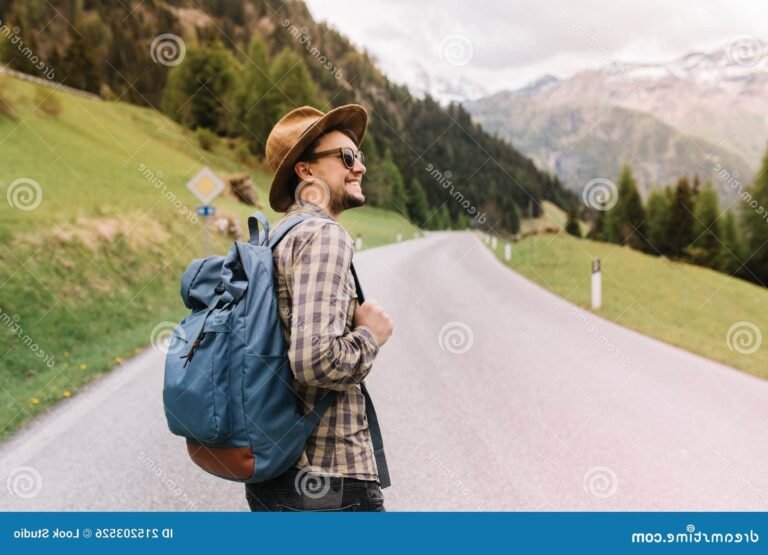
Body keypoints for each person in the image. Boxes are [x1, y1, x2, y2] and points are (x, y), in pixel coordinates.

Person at [245, 104, 394, 512]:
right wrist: (371, 336)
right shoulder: (323, 236)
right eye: (346, 157)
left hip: (278, 473)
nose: (359, 167)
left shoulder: (277, 238)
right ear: (305, 171)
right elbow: (314, 361)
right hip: (329, 479)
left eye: (358, 156)